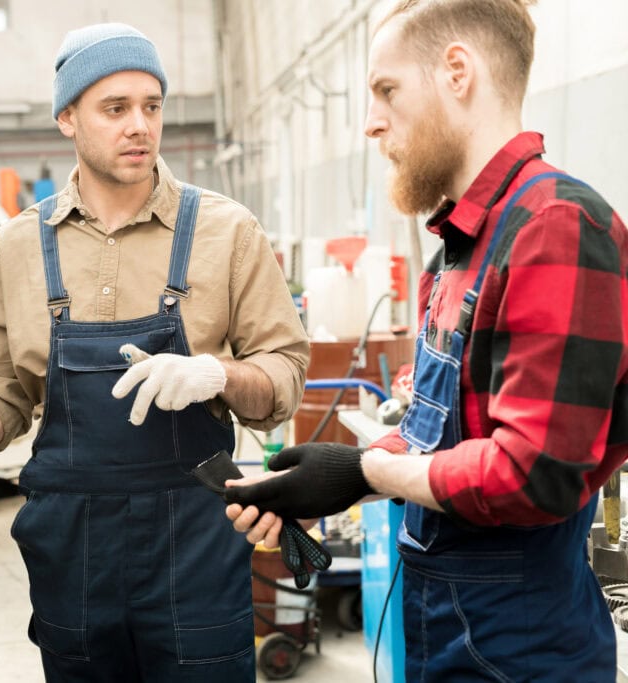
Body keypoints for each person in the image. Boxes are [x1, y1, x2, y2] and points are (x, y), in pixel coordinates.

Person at [0, 22, 310, 682]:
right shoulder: (13, 248)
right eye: (115, 108)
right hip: (74, 552)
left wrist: (218, 372)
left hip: (194, 548)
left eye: (152, 106)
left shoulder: (226, 232)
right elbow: (2, 398)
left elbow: (284, 375)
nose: (139, 127)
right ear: (68, 116)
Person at [225, 1, 627, 680]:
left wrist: (365, 472)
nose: (371, 121)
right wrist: (323, 478)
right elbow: (431, 437)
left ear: (457, 73)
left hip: (522, 649)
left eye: (387, 90)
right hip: (442, 627)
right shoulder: (458, 252)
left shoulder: (555, 226)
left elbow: (533, 473)